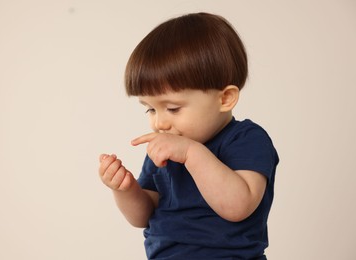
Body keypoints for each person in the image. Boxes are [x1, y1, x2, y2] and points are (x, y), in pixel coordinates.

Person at [99, 12, 279, 259]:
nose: (160, 122)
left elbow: (238, 206)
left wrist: (191, 153)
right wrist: (125, 190)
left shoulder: (247, 139)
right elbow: (142, 216)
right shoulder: (163, 147)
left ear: (224, 98)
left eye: (173, 108)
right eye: (150, 109)